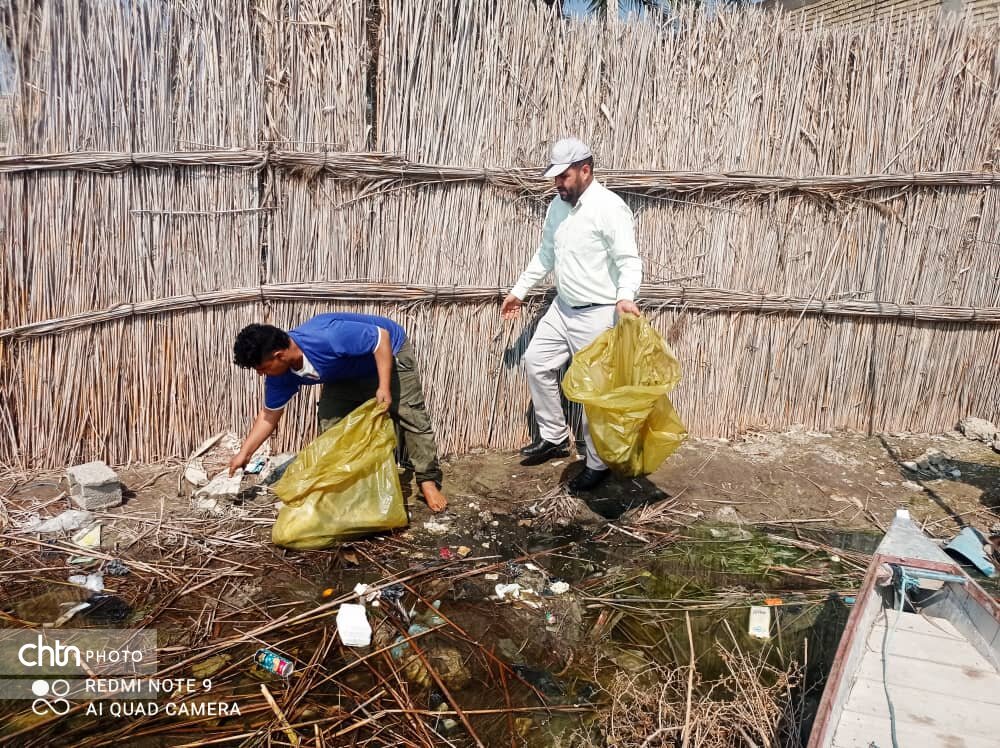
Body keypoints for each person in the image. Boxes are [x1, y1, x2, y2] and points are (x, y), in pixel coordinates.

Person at [500, 137, 642, 492]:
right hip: (562, 309)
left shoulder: (610, 208)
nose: (557, 184)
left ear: (585, 170)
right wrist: (519, 291)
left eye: (563, 177)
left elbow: (628, 260)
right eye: (555, 177)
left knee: (596, 393)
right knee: (536, 361)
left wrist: (625, 297)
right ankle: (553, 437)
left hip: (597, 316)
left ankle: (597, 464)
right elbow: (545, 255)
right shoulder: (557, 207)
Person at [227, 313, 447, 512]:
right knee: (330, 420)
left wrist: (383, 386)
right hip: (344, 370)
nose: (261, 374)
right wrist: (244, 454)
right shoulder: (280, 375)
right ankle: (349, 482)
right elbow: (269, 416)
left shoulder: (328, 337)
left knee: (410, 415)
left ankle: (427, 481)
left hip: (389, 353)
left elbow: (381, 338)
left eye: (263, 368)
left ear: (279, 355)